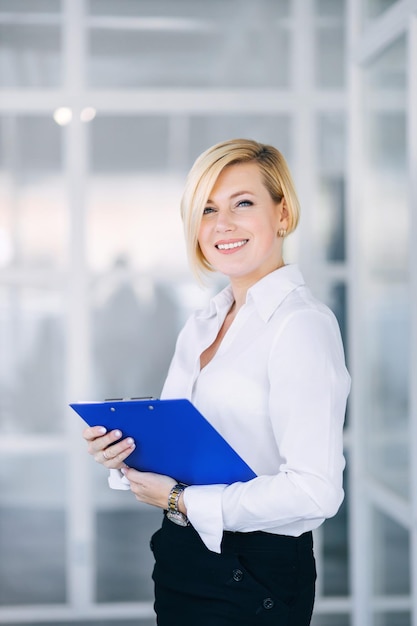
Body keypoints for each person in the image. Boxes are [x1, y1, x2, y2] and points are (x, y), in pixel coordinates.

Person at [83, 138, 351, 626]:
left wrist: (182, 501)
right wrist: (124, 453)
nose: (221, 224)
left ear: (283, 213)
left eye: (242, 203)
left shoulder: (301, 325)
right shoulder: (205, 321)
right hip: (182, 557)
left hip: (253, 575)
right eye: (206, 209)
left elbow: (316, 492)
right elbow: (180, 449)